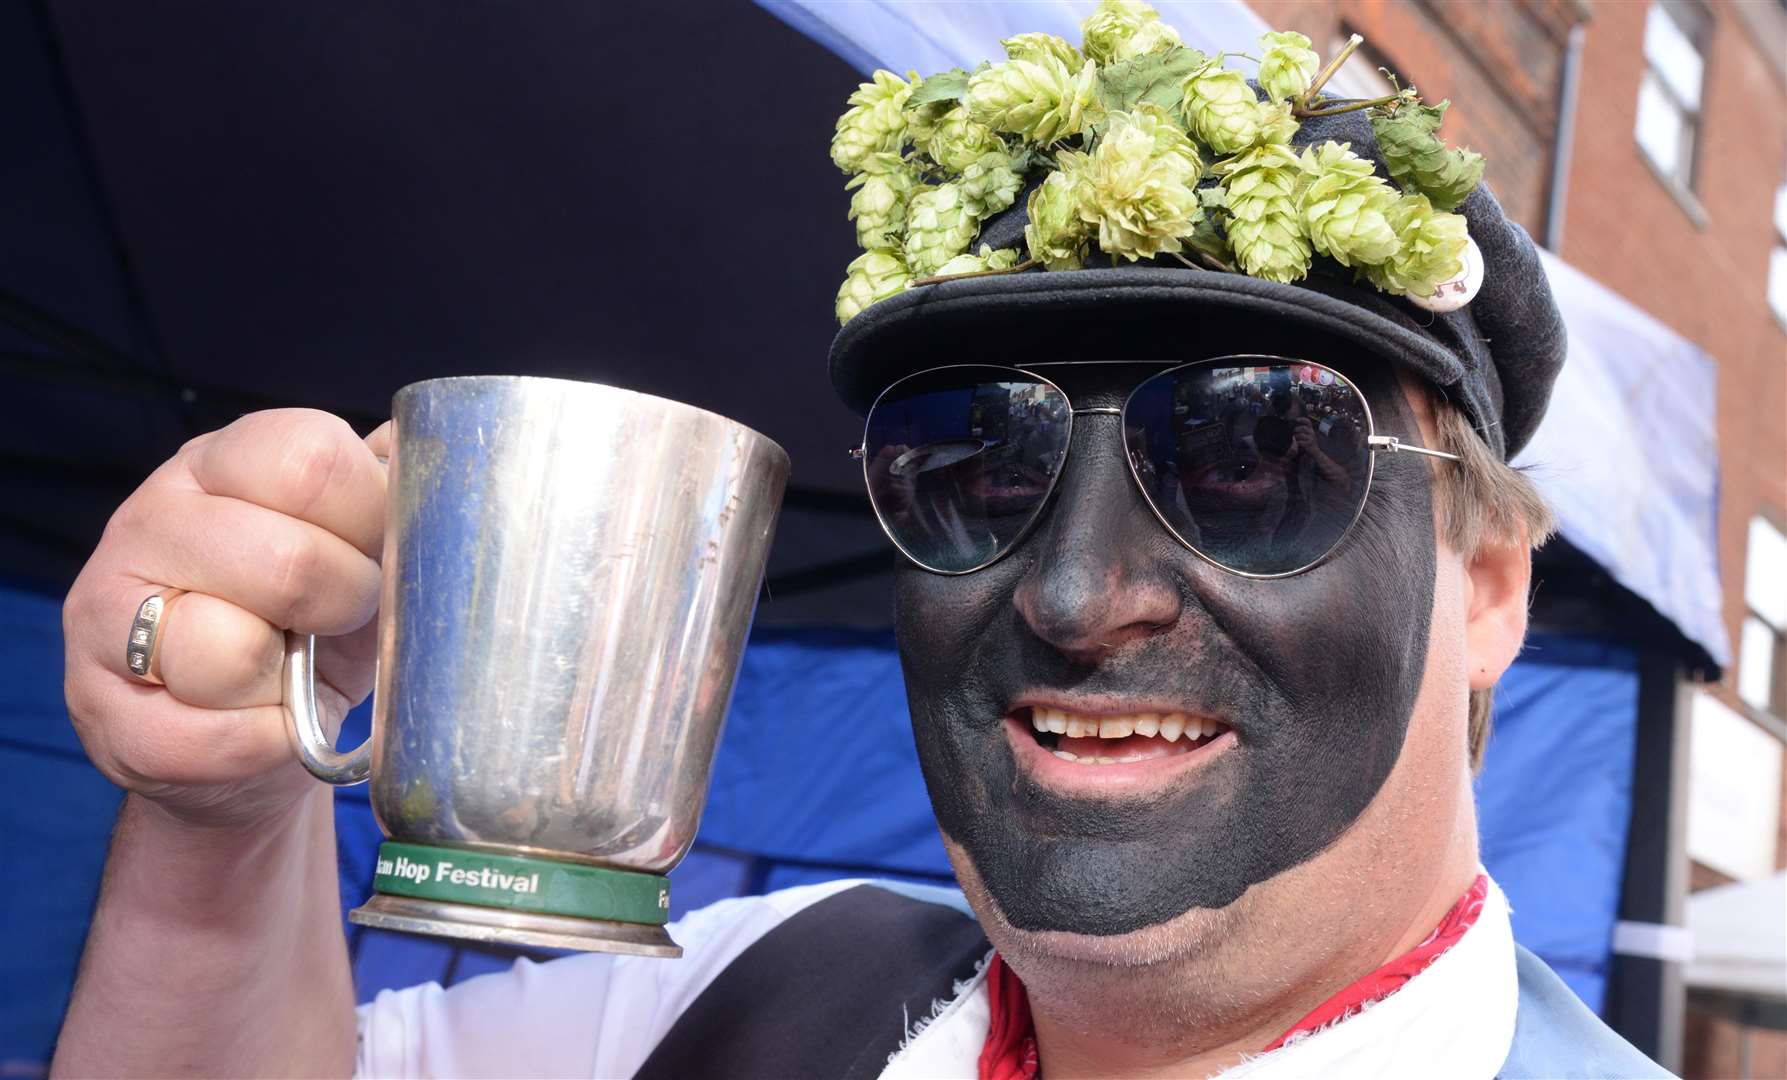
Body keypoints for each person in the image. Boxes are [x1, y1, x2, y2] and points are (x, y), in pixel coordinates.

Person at [54, 8, 1674, 1078]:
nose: (1074, 589)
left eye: (1252, 452)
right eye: (974, 454)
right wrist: (223, 822)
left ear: (1483, 589)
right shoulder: (744, 1005)